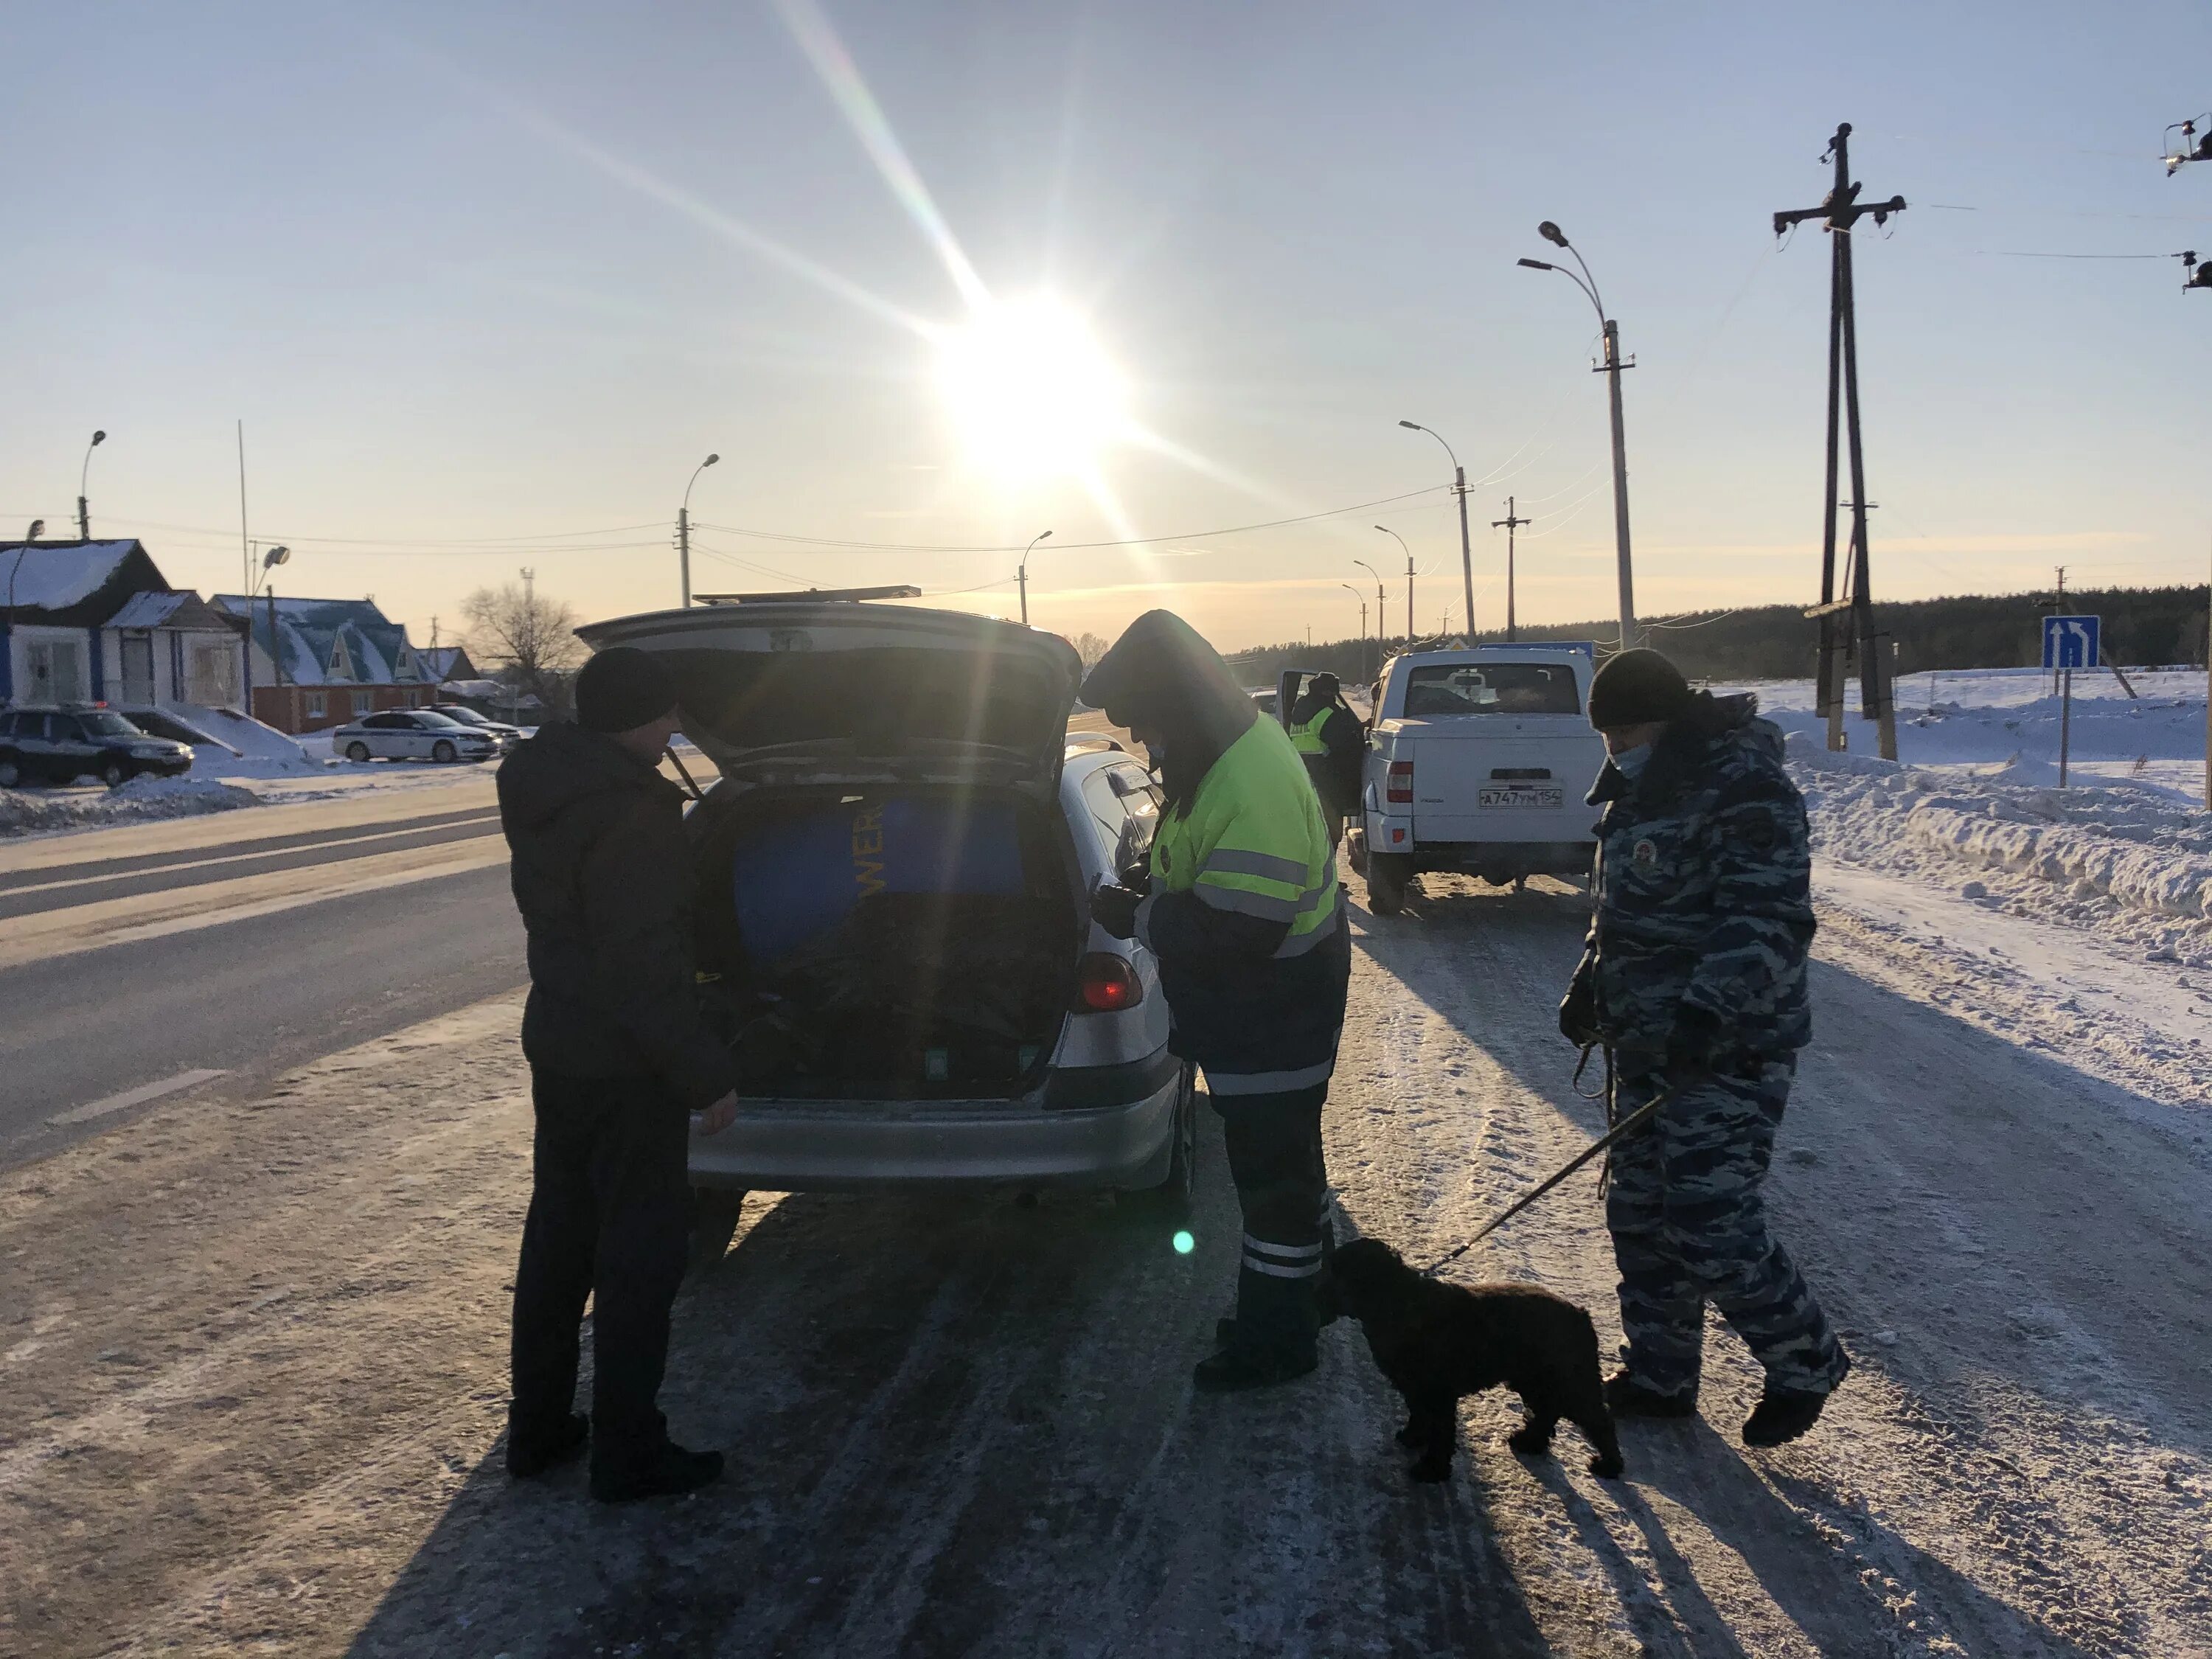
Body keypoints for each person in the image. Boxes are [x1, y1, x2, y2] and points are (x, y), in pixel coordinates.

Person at [1559, 647, 1849, 1447]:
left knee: (1711, 1218)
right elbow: (1625, 905)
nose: (1615, 748)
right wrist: (1592, 977)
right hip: (1648, 1040)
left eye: (1626, 732)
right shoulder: (1640, 787)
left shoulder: (1743, 786)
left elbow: (1768, 918)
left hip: (1727, 1047)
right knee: (1640, 1211)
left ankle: (1805, 1362)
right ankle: (1661, 1375)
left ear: (1666, 718)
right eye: (1607, 737)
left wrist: (1706, 1014)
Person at [496, 646, 740, 1503]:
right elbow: (643, 966)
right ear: (636, 718)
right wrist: (704, 1074)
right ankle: (629, 1450)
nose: (677, 727)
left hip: (562, 1046)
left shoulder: (551, 789)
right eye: (668, 714)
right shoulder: (628, 814)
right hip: (626, 1062)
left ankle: (539, 1428)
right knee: (639, 1260)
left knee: (560, 1242)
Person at [1085, 611, 1352, 1392]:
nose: (1146, 744)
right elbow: (1206, 866)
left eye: (1150, 727)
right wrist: (1153, 884)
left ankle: (1277, 1345)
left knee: (1274, 1190)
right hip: (1267, 1017)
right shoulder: (1228, 751)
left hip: (1275, 1018)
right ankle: (1305, 1306)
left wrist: (1135, 916)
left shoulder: (1249, 778)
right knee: (1292, 1174)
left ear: (1182, 707)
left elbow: (1243, 928)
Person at [1284, 670, 1364, 848]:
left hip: (1300, 772)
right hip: (1325, 776)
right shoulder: (1327, 713)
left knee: (1308, 827)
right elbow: (1344, 745)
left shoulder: (1300, 708)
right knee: (1330, 831)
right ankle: (1327, 872)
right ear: (1328, 692)